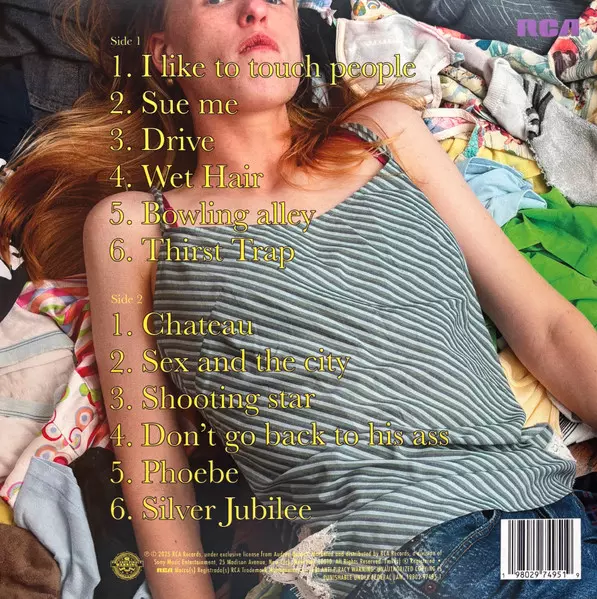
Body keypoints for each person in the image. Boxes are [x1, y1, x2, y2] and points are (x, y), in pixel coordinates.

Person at [1, 1, 597, 598]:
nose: (256, 9)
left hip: (547, 525)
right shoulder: (136, 226)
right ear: (163, 51)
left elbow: (545, 325)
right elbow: (155, 465)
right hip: (389, 561)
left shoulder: (386, 132)